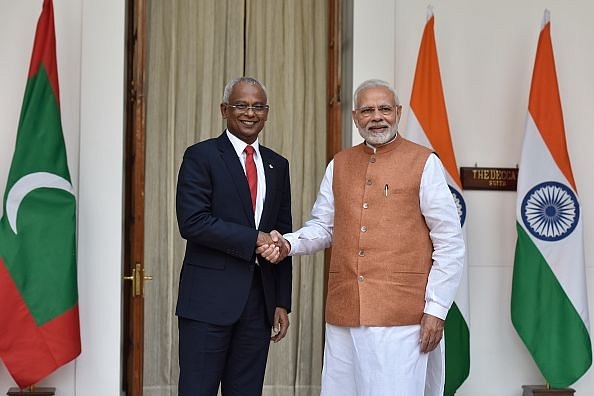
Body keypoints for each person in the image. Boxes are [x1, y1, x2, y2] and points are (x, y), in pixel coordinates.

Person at [259, 79, 465, 395]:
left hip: (402, 317)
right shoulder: (339, 163)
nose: (377, 117)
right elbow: (324, 227)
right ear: (356, 118)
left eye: (384, 109)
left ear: (398, 112)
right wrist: (288, 243)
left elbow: (449, 242)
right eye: (368, 110)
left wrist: (436, 310)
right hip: (344, 313)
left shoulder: (425, 162)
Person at [175, 76, 293, 396]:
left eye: (258, 107)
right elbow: (193, 222)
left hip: (259, 304)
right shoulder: (201, 156)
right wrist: (255, 238)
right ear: (224, 110)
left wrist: (281, 300)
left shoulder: (277, 165)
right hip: (207, 303)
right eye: (241, 105)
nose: (250, 113)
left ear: (266, 113)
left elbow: (281, 233)